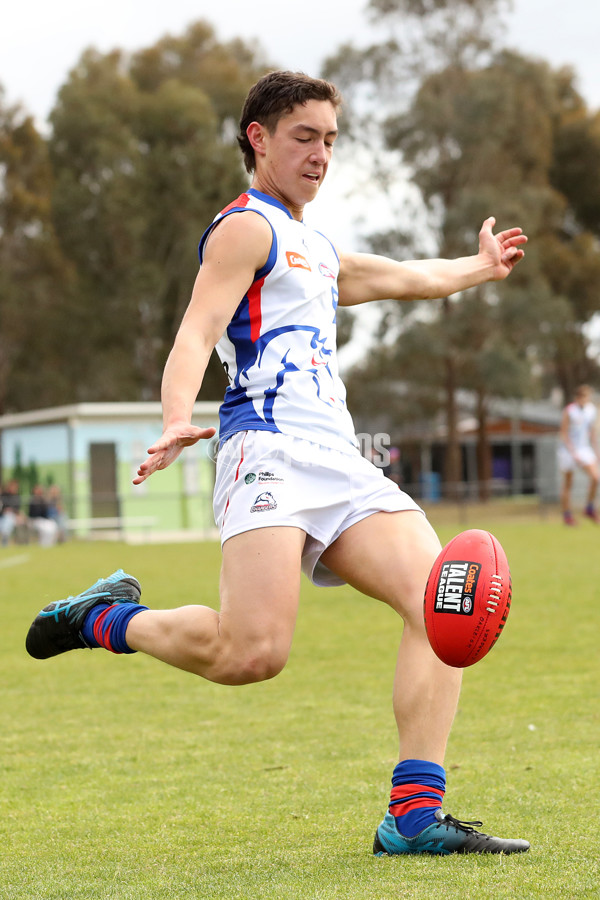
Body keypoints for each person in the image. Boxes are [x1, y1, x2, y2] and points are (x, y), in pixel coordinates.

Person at [26, 71, 530, 855]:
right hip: (266, 451)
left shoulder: (318, 247)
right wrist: (173, 418)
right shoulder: (244, 229)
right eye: (304, 136)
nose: (321, 153)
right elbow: (196, 333)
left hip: (339, 456)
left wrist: (480, 268)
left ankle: (414, 815)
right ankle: (103, 618)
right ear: (258, 138)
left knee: (440, 604)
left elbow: (404, 279)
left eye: (330, 139)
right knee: (250, 654)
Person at [558, 384, 599, 525]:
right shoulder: (569, 411)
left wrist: (596, 451)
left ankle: (589, 507)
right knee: (568, 483)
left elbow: (592, 432)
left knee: (595, 477)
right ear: (577, 397)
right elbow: (563, 433)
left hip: (584, 449)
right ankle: (567, 515)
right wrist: (572, 451)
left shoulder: (591, 410)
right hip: (569, 451)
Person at [1, 479, 25, 546]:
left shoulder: (17, 497)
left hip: (14, 517)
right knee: (8, 518)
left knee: (10, 518)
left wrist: (16, 513)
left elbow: (17, 510)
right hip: (3, 517)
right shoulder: (4, 495)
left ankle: (20, 542)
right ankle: (5, 539)